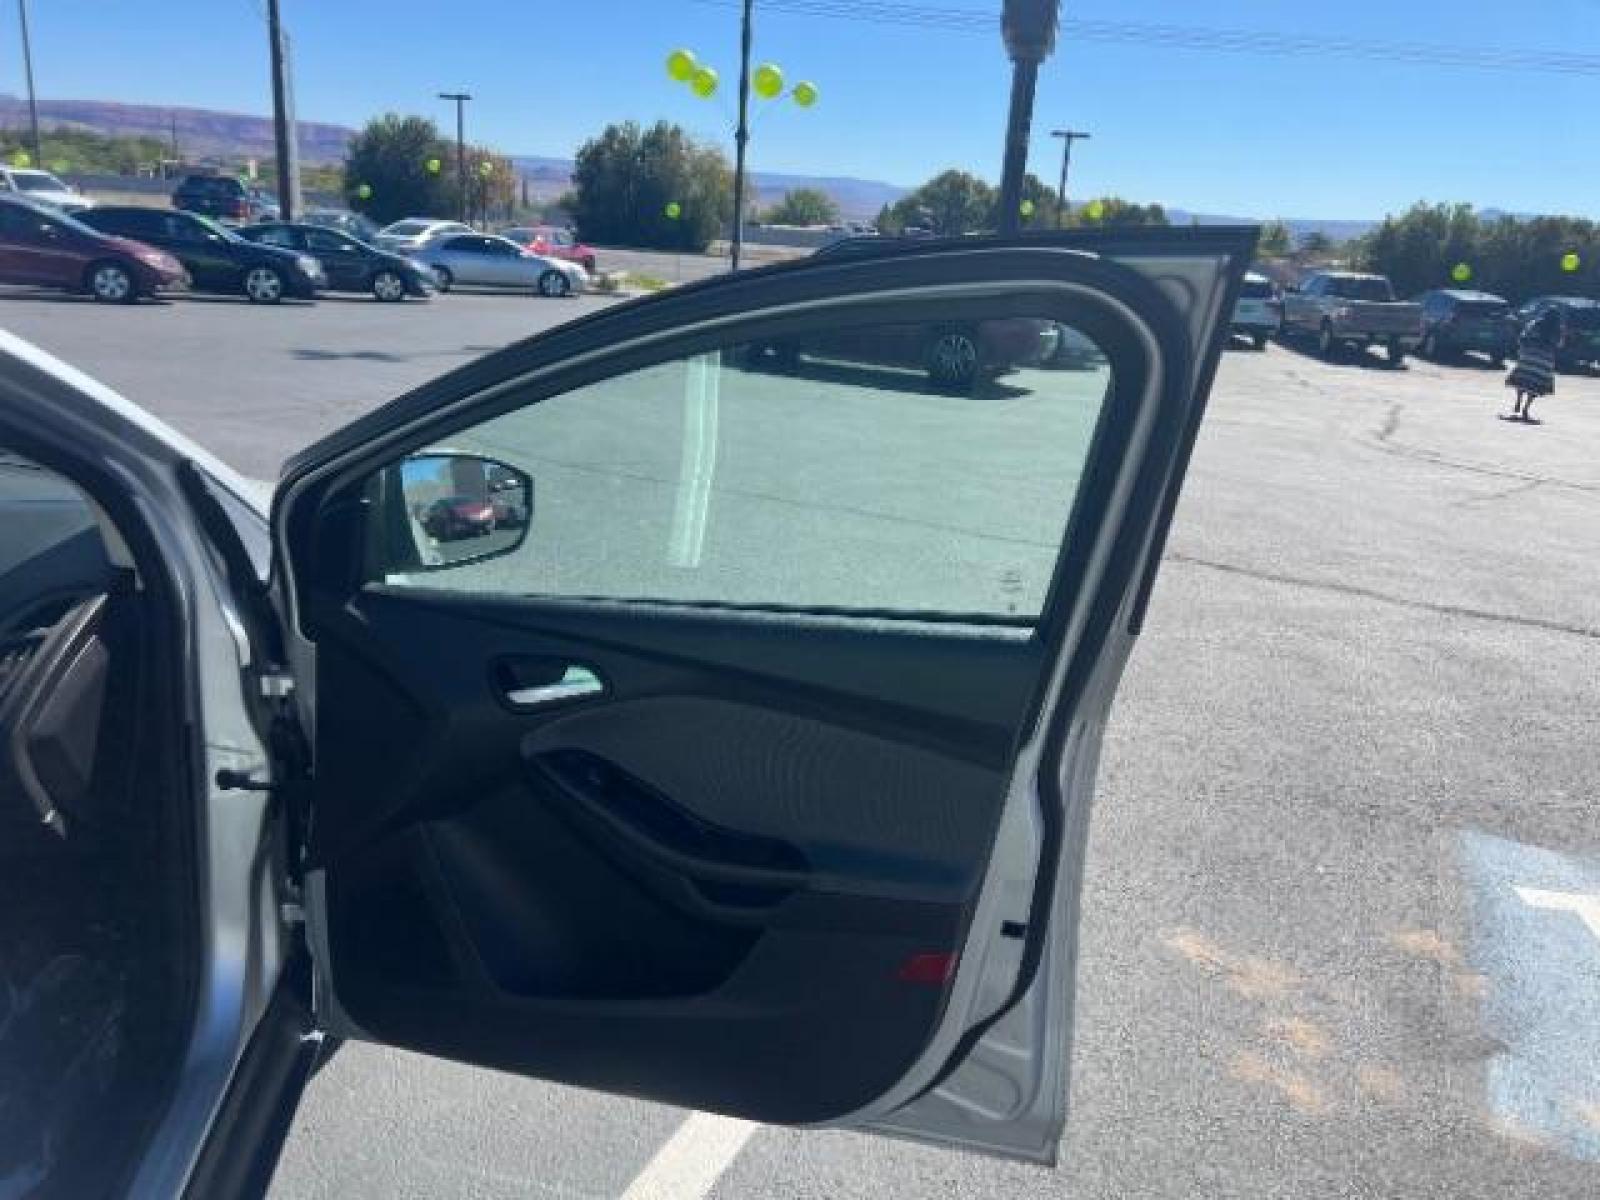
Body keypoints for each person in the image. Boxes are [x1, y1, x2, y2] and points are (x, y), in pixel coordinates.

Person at [1505, 307, 1564, 421]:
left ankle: (1518, 400)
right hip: (1545, 359)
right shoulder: (1558, 329)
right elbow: (1559, 345)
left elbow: (1523, 337)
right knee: (1536, 385)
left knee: (1522, 379)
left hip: (1530, 355)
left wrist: (1523, 349)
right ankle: (1526, 408)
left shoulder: (1535, 323)